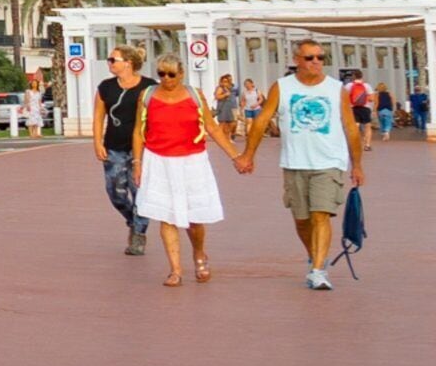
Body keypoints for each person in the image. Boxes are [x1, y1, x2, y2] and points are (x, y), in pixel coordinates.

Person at [237, 41, 366, 292]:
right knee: (302, 219)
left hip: (328, 162)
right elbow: (262, 119)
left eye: (320, 57)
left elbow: (351, 128)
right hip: (294, 162)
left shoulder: (335, 89)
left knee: (321, 214)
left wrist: (357, 165)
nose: (316, 62)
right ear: (297, 59)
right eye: (310, 57)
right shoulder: (282, 87)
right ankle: (315, 255)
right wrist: (248, 155)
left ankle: (318, 270)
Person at [130, 55, 224, 285]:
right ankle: (175, 270)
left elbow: (211, 127)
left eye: (171, 74)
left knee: (194, 218)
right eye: (161, 74)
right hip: (159, 160)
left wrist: (237, 156)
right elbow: (138, 131)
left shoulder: (194, 95)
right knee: (166, 216)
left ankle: (199, 253)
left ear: (181, 74)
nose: (166, 79)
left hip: (192, 161)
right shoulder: (148, 95)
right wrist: (137, 163)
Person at [94, 45, 154, 257]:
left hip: (144, 149)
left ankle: (139, 234)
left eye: (113, 59)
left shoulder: (149, 86)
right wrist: (98, 142)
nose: (109, 63)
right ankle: (132, 220)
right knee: (115, 192)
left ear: (128, 62)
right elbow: (99, 116)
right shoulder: (106, 87)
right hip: (114, 148)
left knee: (141, 193)